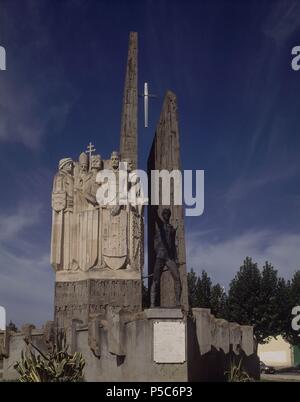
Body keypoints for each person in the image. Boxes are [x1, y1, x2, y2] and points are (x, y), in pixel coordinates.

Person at [150, 207, 182, 308]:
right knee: (155, 280)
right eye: (165, 213)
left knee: (177, 278)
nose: (167, 215)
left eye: (168, 213)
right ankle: (152, 304)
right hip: (160, 256)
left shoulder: (172, 229)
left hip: (169, 257)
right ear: (163, 215)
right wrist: (154, 210)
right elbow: (155, 217)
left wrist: (176, 259)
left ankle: (177, 302)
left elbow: (173, 245)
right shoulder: (160, 225)